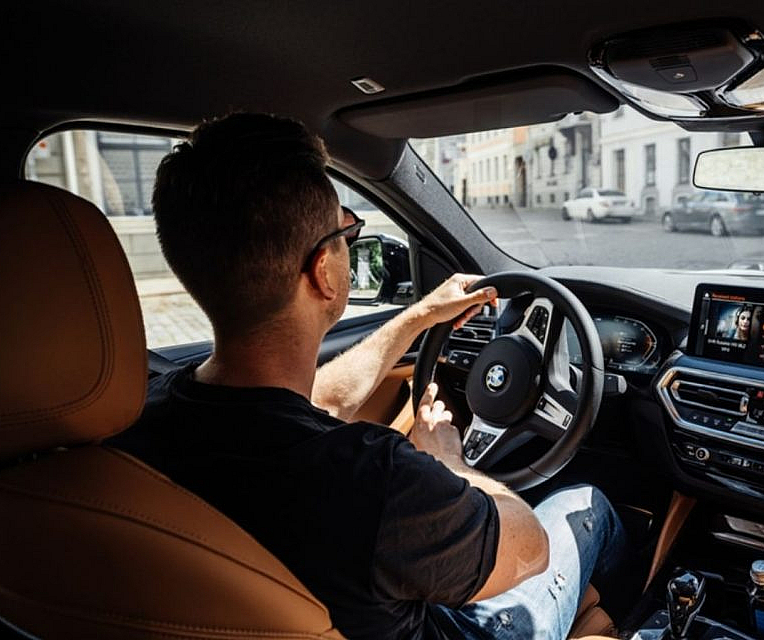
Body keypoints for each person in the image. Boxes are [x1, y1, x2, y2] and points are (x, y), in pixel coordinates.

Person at [108, 113, 639, 640]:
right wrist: (448, 463)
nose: (349, 244)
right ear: (323, 270)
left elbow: (313, 403)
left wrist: (418, 316)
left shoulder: (139, 417)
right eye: (347, 231)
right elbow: (529, 548)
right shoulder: (377, 482)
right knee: (587, 506)